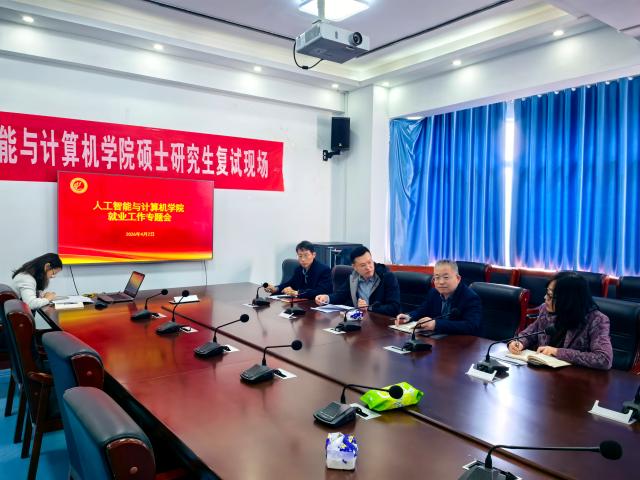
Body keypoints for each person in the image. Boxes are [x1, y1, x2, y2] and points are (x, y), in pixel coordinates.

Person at [507, 272, 612, 370]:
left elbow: (604, 359)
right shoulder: (545, 310)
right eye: (547, 293)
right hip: (544, 374)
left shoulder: (596, 320)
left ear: (568, 299)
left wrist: (557, 352)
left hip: (576, 377)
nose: (545, 298)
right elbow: (530, 333)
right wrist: (519, 343)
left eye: (550, 295)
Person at [395, 260, 482, 335]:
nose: (441, 282)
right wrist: (409, 316)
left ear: (458, 278)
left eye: (446, 277)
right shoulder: (434, 293)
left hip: (461, 344)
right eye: (437, 277)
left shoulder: (470, 297)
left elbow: (471, 326)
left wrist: (436, 324)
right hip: (437, 340)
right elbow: (421, 311)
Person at [315, 246, 401, 316]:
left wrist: (369, 308)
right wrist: (326, 298)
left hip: (382, 324)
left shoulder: (387, 276)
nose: (368, 267)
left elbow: (394, 308)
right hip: (361, 320)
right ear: (355, 267)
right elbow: (340, 295)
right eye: (363, 265)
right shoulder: (353, 277)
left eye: (370, 262)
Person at [266, 241, 332, 300]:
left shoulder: (324, 270)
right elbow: (290, 284)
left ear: (313, 255)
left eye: (306, 255)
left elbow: (320, 291)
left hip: (317, 305)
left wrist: (297, 292)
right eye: (300, 256)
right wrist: (276, 289)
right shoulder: (299, 269)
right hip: (303, 304)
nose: (303, 259)